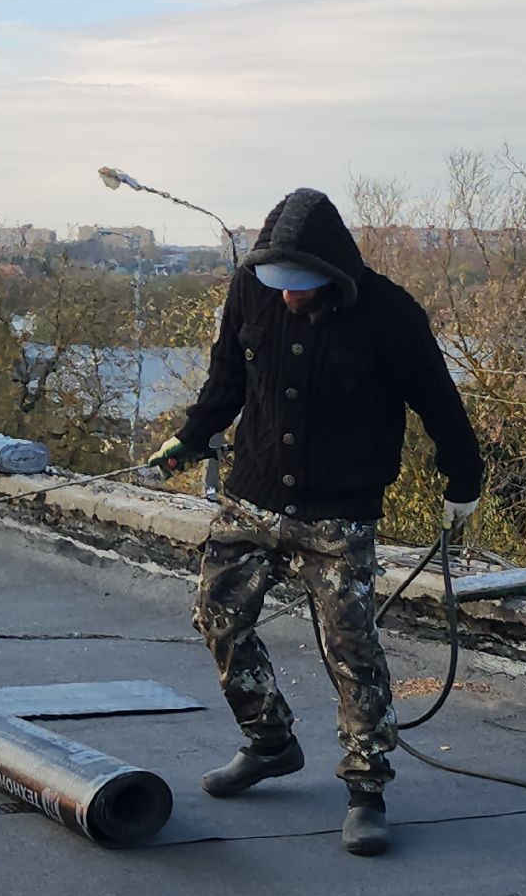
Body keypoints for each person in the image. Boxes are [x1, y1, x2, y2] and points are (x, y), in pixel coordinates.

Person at [146, 187, 483, 856]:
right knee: (217, 616)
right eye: (280, 287)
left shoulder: (389, 314)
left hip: (340, 511)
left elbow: (439, 403)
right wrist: (190, 436)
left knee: (350, 651)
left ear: (332, 275)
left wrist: (463, 480)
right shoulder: (251, 290)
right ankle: (270, 742)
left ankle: (366, 790)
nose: (289, 300)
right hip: (253, 496)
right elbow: (226, 380)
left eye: (301, 289)